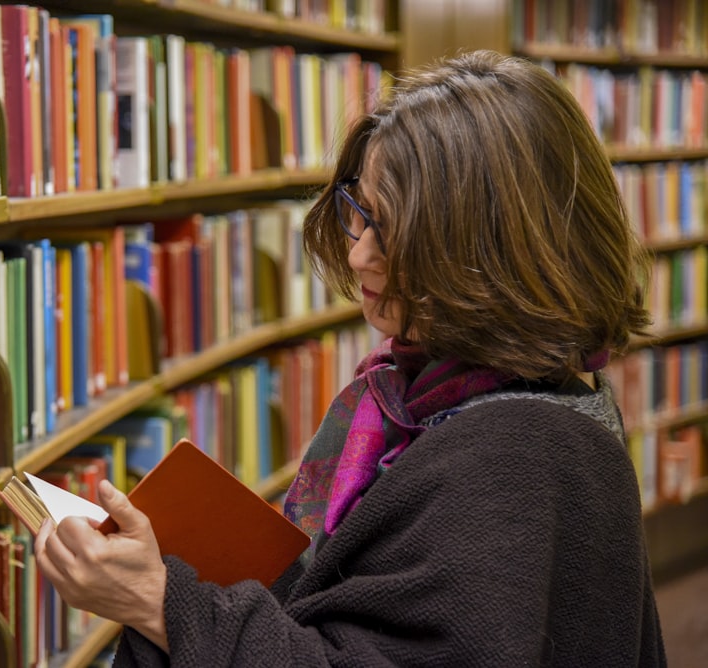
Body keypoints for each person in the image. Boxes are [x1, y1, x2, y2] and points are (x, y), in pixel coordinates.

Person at [34, 49, 666, 666]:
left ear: (493, 251)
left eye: (394, 232)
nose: (361, 254)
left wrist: (161, 603)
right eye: (359, 214)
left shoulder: (515, 456)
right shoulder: (433, 395)